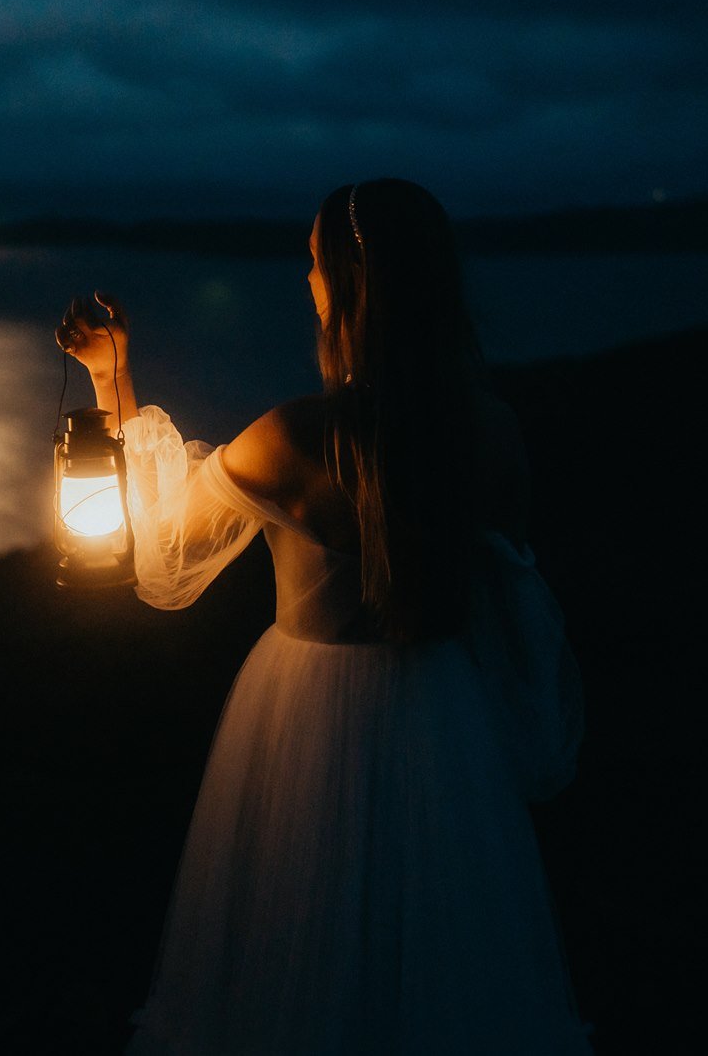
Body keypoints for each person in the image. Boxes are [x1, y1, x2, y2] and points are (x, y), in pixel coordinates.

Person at [55, 179, 589, 1054]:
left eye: (312, 262)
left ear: (343, 284)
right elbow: (519, 613)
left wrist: (113, 380)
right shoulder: (490, 435)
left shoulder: (293, 439)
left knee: (291, 965)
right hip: (445, 720)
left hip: (302, 722)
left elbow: (162, 558)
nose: (306, 280)